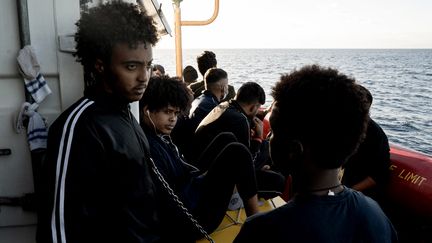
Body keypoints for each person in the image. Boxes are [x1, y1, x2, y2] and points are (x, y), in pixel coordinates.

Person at [36, 2, 173, 242]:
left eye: (148, 66)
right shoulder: (79, 125)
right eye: (131, 66)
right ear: (100, 65)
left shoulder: (126, 115)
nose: (144, 77)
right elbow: (58, 229)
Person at [234, 65, 398, 243]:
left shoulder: (260, 231)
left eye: (273, 132)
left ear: (293, 151)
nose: (269, 137)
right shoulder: (377, 215)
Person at [139, 75, 259, 239]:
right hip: (192, 220)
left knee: (227, 138)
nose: (173, 119)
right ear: (147, 111)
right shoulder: (151, 149)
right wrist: (205, 180)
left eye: (176, 113)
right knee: (237, 152)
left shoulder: (158, 135)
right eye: (167, 112)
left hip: (189, 190)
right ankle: (258, 225)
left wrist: (203, 177)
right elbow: (175, 204)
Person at [195, 82, 286, 196]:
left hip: (202, 166)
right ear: (253, 106)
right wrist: (258, 137)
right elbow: (247, 167)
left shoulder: (224, 106)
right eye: (257, 108)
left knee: (265, 152)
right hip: (215, 182)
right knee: (279, 180)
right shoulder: (240, 121)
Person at [342, 86, 391, 204]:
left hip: (359, 197)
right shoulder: (342, 126)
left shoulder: (375, 135)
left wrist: (346, 192)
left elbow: (378, 175)